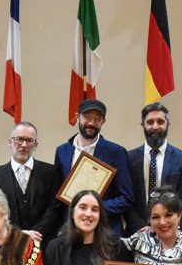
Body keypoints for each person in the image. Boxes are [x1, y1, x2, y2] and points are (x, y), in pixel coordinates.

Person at [54, 99, 134, 235]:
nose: (91, 123)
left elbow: (126, 197)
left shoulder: (116, 152)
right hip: (71, 231)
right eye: (87, 117)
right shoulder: (62, 151)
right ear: (77, 117)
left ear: (103, 122)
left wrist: (94, 209)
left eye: (97, 119)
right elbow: (57, 194)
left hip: (105, 231)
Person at [0, 121, 64, 245]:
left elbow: (54, 209)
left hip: (43, 243)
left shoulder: (51, 172)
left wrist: (36, 233)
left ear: (36, 145)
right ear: (10, 142)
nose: (24, 145)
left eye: (29, 140)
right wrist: (19, 234)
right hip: (8, 243)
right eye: (19, 139)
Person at [125, 102, 182, 233]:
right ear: (142, 125)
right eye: (150, 122)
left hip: (172, 231)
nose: (155, 126)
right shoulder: (129, 158)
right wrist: (141, 227)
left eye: (160, 121)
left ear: (168, 124)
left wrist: (167, 223)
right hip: (138, 232)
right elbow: (127, 199)